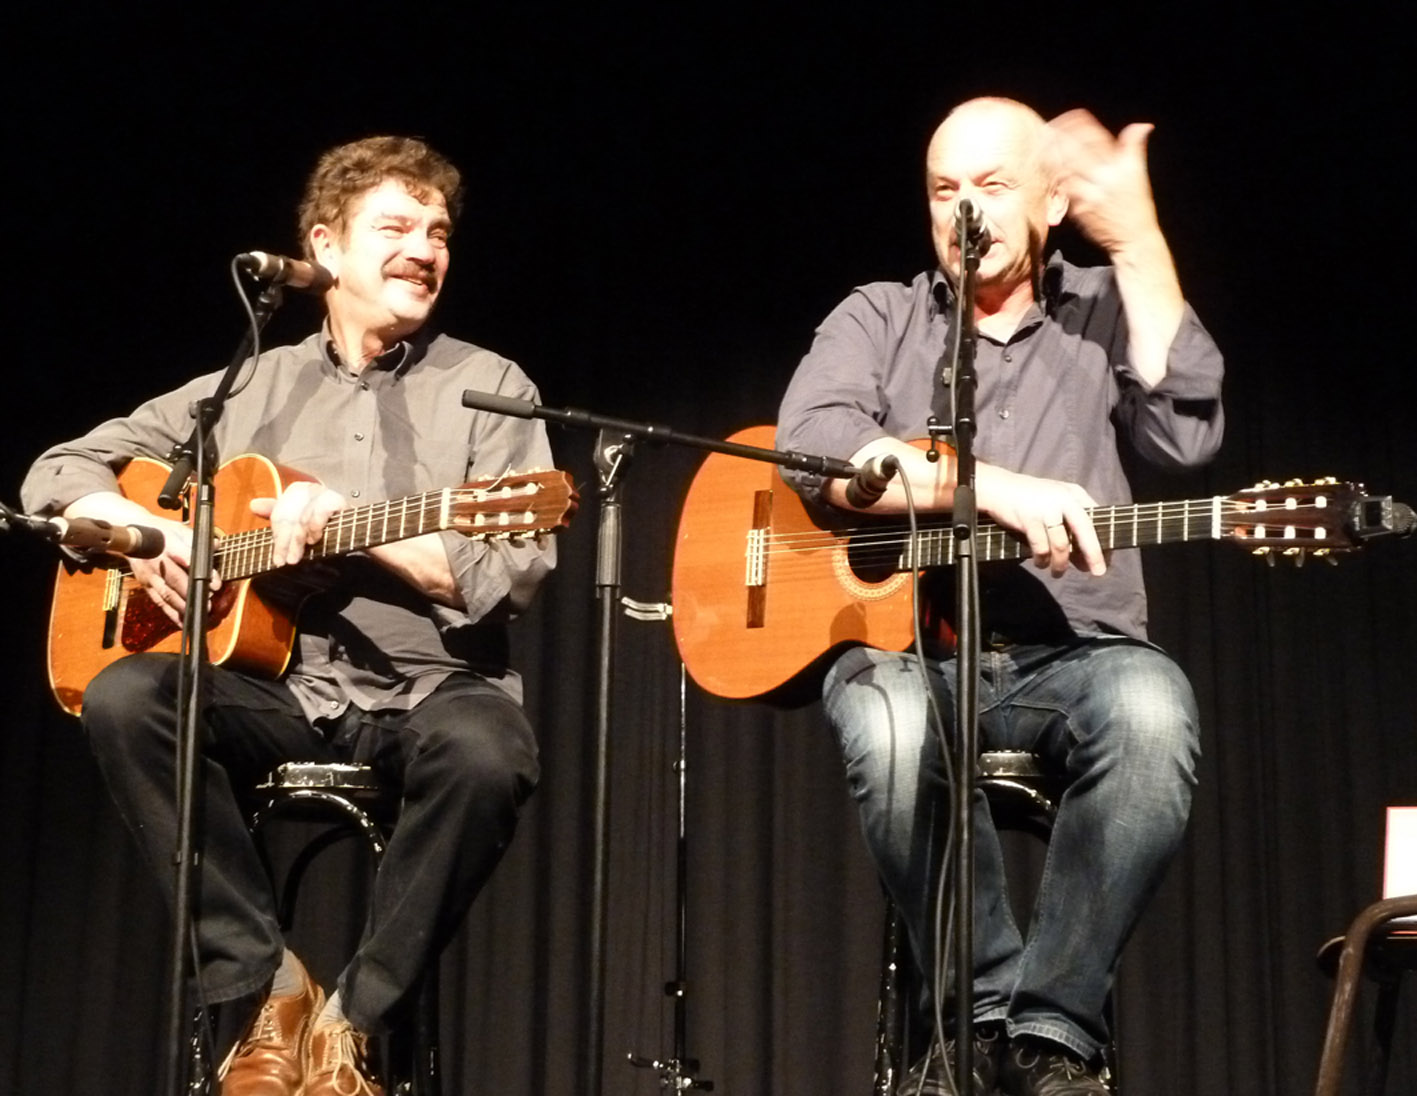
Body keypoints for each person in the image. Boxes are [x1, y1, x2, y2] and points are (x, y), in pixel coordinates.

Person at [22, 136, 556, 1096]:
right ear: (325, 247)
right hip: (272, 687)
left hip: (429, 689)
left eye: (438, 232)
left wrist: (354, 526)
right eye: (395, 227)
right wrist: (142, 534)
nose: (423, 249)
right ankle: (264, 987)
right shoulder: (244, 389)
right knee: (126, 696)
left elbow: (510, 572)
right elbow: (60, 470)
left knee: (490, 755)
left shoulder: (490, 387)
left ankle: (355, 1021)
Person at [777, 98, 1224, 1095]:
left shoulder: (1104, 309)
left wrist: (1136, 239)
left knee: (1152, 715)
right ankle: (982, 1018)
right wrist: (991, 489)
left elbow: (1185, 433)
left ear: (1052, 203)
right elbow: (815, 450)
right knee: (891, 727)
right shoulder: (879, 316)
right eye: (944, 189)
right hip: (908, 652)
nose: (963, 209)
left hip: (1076, 651)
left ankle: (1051, 1034)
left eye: (991, 185)